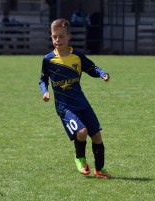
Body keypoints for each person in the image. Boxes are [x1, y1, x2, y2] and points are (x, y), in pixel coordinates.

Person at [39, 19, 111, 178]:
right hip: (64, 107)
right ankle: (80, 158)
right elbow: (43, 79)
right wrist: (45, 91)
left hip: (81, 102)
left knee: (97, 135)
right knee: (82, 131)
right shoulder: (48, 60)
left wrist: (102, 74)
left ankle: (99, 169)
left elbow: (91, 68)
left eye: (61, 36)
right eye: (54, 37)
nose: (57, 40)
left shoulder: (77, 56)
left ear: (68, 37)